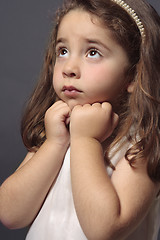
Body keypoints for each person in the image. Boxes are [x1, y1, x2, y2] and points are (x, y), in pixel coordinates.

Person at [0, 0, 160, 239]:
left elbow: (103, 230)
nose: (69, 68)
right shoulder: (56, 131)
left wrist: (86, 140)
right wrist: (55, 143)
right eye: (63, 51)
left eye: (92, 52)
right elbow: (10, 214)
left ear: (134, 75)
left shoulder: (140, 145)